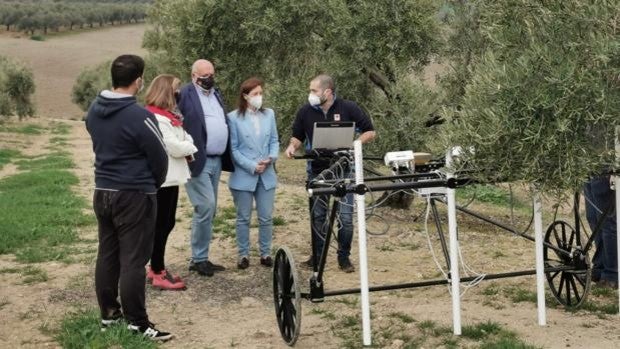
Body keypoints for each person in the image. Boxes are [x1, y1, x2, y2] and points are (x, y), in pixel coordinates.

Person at [85, 54, 172, 340]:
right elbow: (159, 158)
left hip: (103, 191)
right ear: (139, 81)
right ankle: (138, 323)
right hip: (134, 194)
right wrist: (152, 185)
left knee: (107, 255)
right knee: (134, 260)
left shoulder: (95, 110)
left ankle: (109, 316)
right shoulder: (140, 116)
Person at [285, 74, 376, 273]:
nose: (310, 94)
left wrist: (356, 143)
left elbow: (370, 131)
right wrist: (292, 147)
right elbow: (297, 137)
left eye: (313, 91)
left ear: (327, 92)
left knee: (345, 218)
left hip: (345, 170)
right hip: (317, 172)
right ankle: (318, 257)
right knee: (318, 216)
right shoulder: (305, 111)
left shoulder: (349, 108)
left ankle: (344, 257)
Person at [178, 59, 234, 277]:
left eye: (212, 74)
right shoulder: (184, 95)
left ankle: (200, 257)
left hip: (216, 160)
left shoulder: (216, 95)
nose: (209, 78)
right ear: (194, 77)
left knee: (209, 210)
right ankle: (199, 259)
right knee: (206, 206)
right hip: (196, 160)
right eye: (204, 76)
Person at [144, 74, 198, 290]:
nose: (179, 93)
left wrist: (186, 143)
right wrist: (189, 145)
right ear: (167, 91)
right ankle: (157, 270)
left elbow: (186, 138)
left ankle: (157, 266)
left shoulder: (170, 116)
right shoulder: (157, 118)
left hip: (172, 178)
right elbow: (175, 146)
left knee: (167, 223)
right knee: (161, 225)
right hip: (162, 179)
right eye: (176, 89)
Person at [227, 77, 279, 269]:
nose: (259, 97)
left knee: (266, 216)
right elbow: (233, 149)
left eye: (261, 93)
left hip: (266, 173)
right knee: (243, 217)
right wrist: (251, 165)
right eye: (255, 94)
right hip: (244, 175)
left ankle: (265, 253)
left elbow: (274, 140)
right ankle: (243, 254)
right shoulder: (233, 118)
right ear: (245, 96)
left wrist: (271, 157)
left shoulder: (269, 114)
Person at [584, 175, 618, 289]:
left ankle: (612, 274)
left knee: (607, 223)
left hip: (604, 169)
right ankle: (600, 267)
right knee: (593, 218)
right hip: (589, 168)